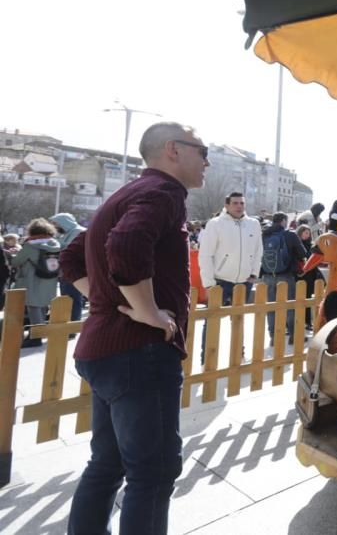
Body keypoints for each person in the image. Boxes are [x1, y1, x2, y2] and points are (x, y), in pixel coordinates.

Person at [62, 121, 208, 535]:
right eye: (203, 150)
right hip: (139, 353)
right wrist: (144, 310)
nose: (207, 162)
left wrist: (111, 299)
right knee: (153, 473)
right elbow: (125, 246)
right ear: (172, 151)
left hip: (104, 351)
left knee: (107, 464)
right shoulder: (163, 192)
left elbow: (73, 257)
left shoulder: (128, 192)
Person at [197, 192, 262, 362]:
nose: (239, 206)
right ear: (227, 205)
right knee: (212, 320)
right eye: (235, 203)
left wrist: (254, 273)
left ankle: (238, 353)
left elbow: (258, 251)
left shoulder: (253, 224)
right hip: (220, 280)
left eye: (242, 203)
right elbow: (205, 254)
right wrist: (209, 283)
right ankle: (206, 357)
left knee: (239, 319)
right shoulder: (215, 224)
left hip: (244, 281)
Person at [10, 218, 62, 348]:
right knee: (43, 306)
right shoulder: (56, 244)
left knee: (33, 307)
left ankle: (36, 337)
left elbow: (16, 262)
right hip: (50, 280)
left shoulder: (30, 245)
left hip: (32, 280)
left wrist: (13, 255)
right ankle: (39, 332)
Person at [261, 212, 308, 344]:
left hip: (267, 275)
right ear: (283, 221)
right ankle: (293, 335)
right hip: (286, 275)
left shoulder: (264, 235)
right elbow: (303, 253)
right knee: (290, 306)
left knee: (271, 307)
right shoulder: (290, 234)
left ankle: (273, 337)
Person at [50, 212, 87, 325]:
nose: (55, 227)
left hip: (75, 271)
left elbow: (68, 249)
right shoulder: (68, 233)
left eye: (56, 224)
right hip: (66, 272)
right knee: (67, 298)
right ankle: (68, 324)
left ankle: (72, 326)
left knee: (73, 299)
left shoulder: (78, 231)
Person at [296, 224, 325, 331]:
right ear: (300, 233)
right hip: (301, 275)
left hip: (311, 275)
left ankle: (308, 322)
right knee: (301, 298)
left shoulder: (312, 246)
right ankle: (300, 321)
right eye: (305, 233)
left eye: (308, 233)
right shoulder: (297, 245)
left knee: (308, 298)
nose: (308, 235)